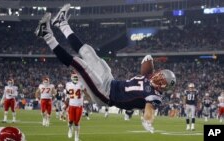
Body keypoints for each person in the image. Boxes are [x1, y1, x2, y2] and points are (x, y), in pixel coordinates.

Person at [35, 3, 176, 133]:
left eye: (161, 80)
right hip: (111, 81)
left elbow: (149, 110)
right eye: (160, 75)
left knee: (79, 64)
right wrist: (149, 59)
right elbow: (146, 67)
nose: (157, 78)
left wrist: (147, 120)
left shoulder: (154, 96)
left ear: (163, 87)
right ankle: (62, 23)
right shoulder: (150, 76)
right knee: (87, 51)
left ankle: (47, 35)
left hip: (106, 94)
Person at [65, 72, 87, 141]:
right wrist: (66, 104)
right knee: (71, 121)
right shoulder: (68, 84)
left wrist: (86, 94)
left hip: (79, 106)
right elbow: (68, 95)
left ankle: (76, 137)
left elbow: (85, 92)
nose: (75, 79)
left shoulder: (81, 84)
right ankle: (70, 129)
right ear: (71, 78)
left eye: (76, 77)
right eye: (74, 77)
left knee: (77, 122)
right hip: (71, 105)